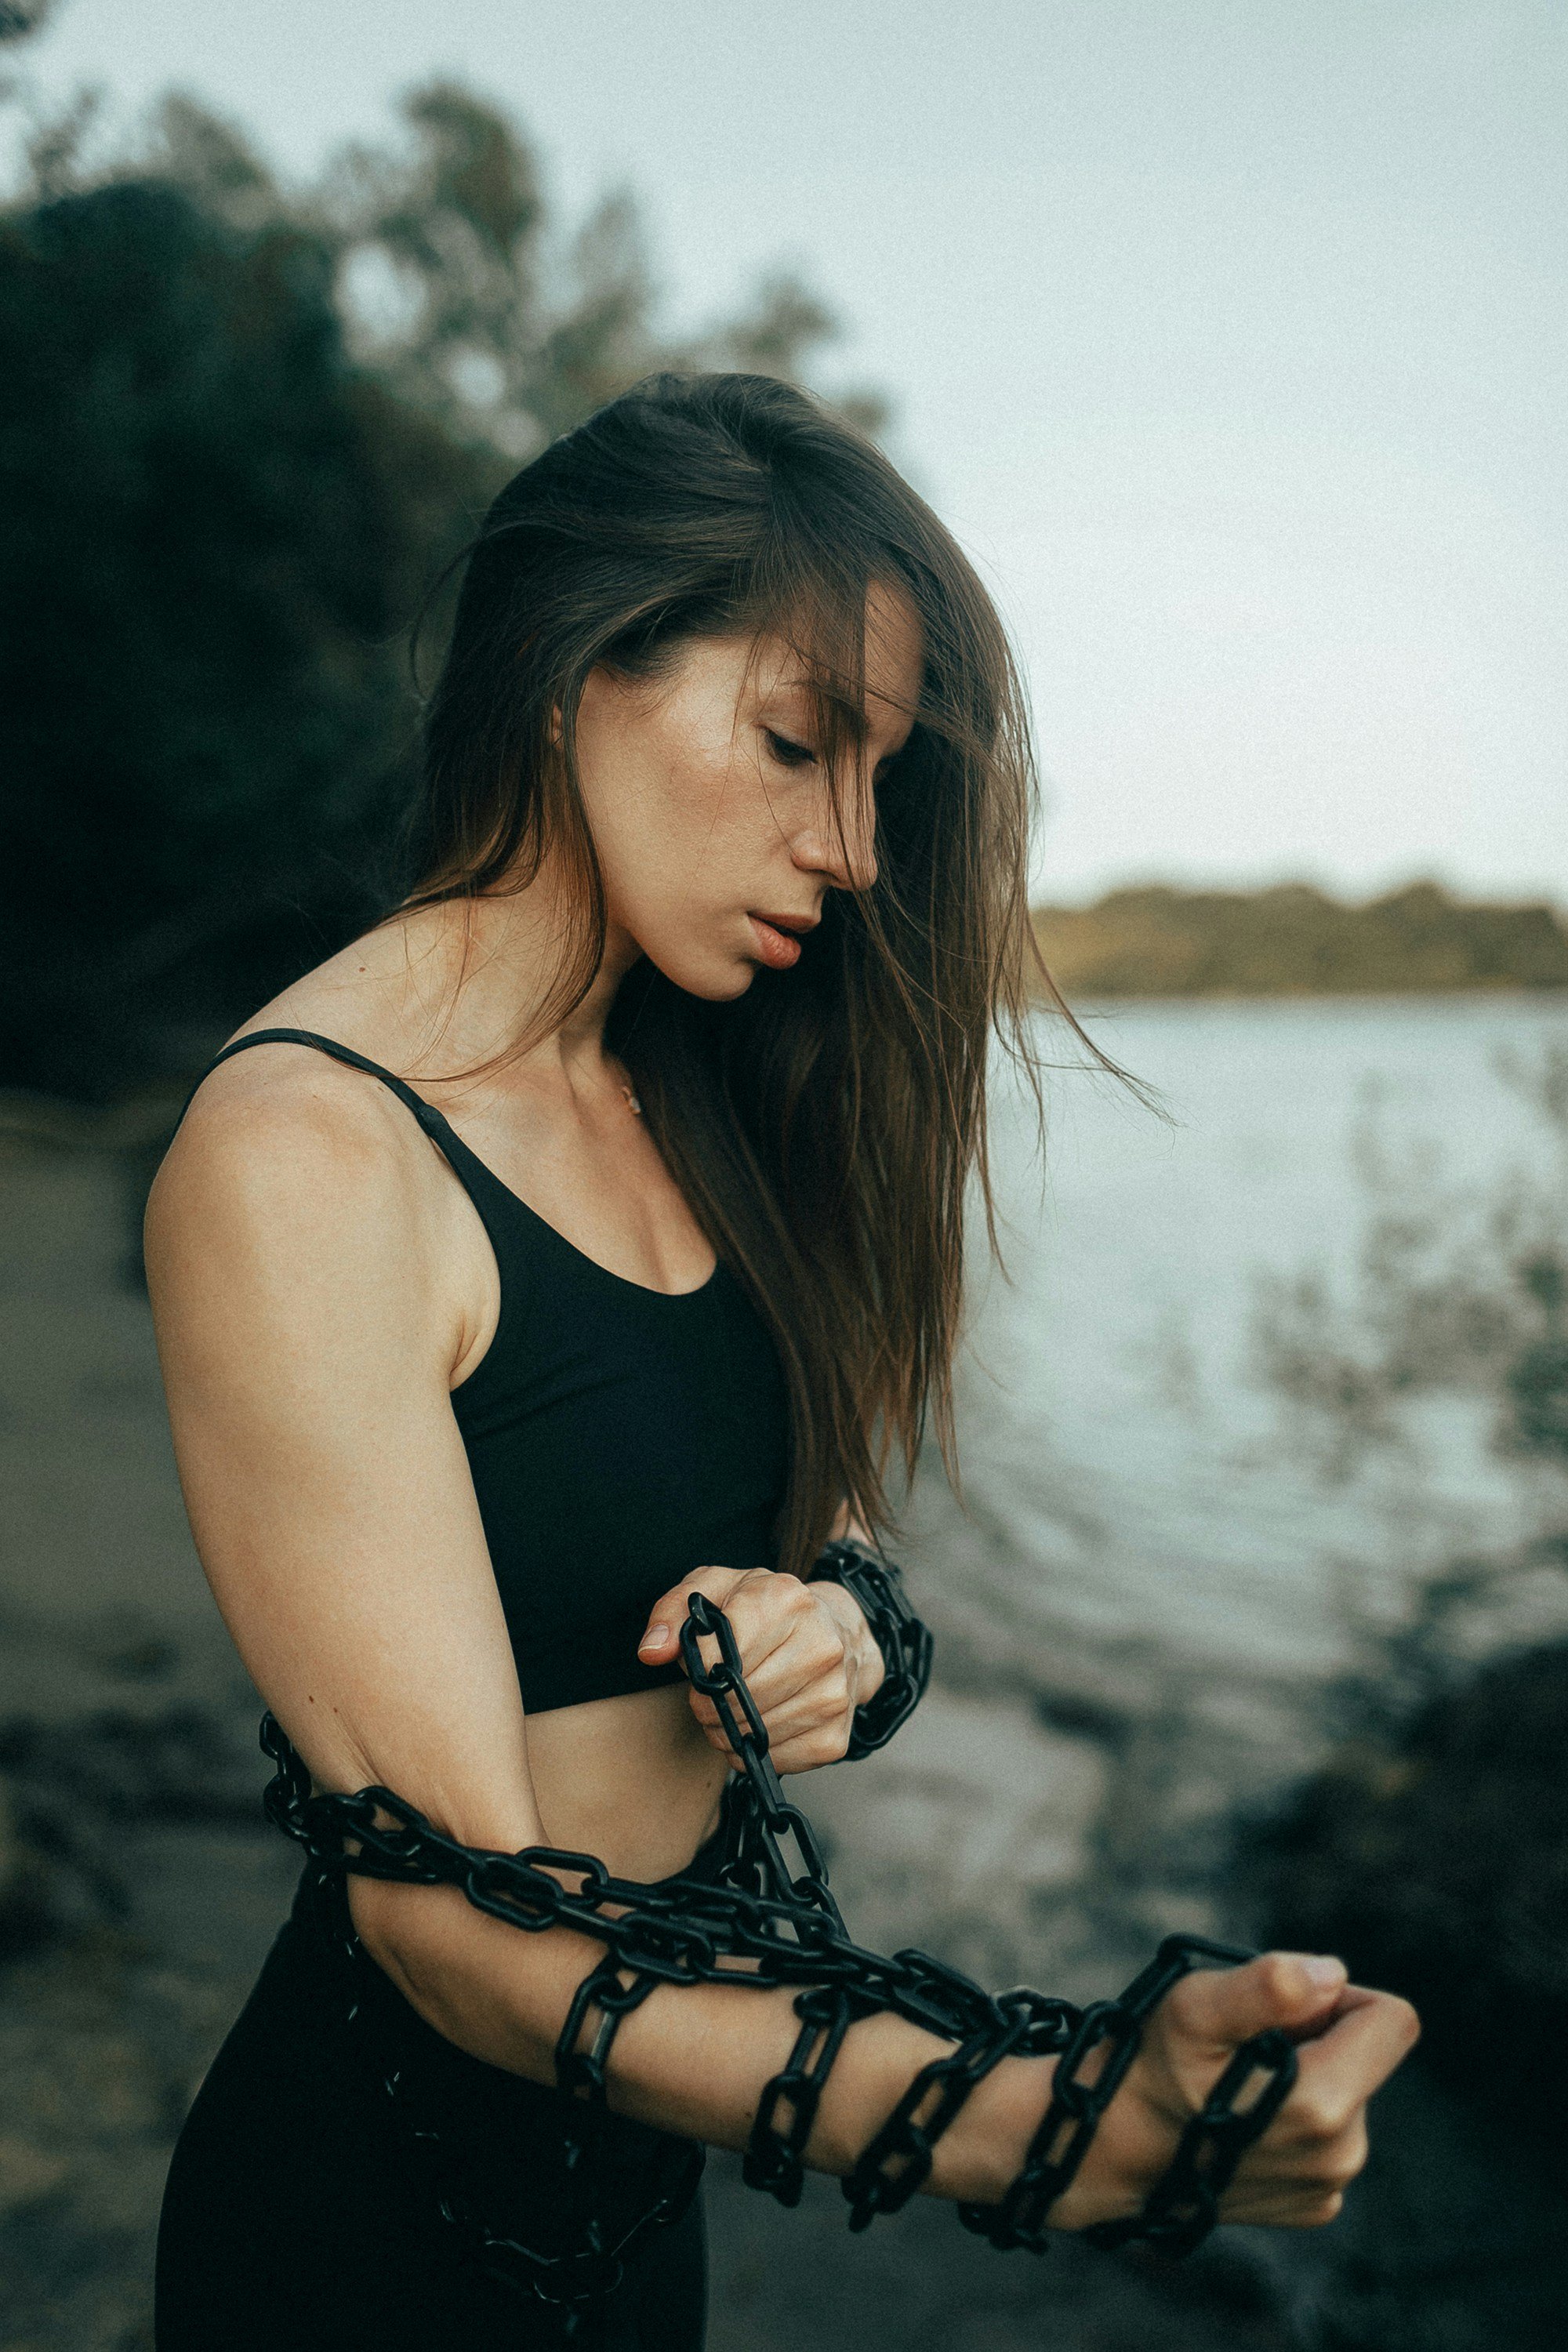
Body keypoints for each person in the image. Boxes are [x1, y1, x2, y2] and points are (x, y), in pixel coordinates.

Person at [145, 372, 1417, 2350]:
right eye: (795, 740)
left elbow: (804, 1559)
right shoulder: (309, 1155)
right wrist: (1060, 2124)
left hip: (638, 2200)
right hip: (369, 2238)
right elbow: (463, 1927)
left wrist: (829, 1632)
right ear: (576, 669)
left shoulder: (696, 1101)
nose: (848, 846)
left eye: (880, 776)